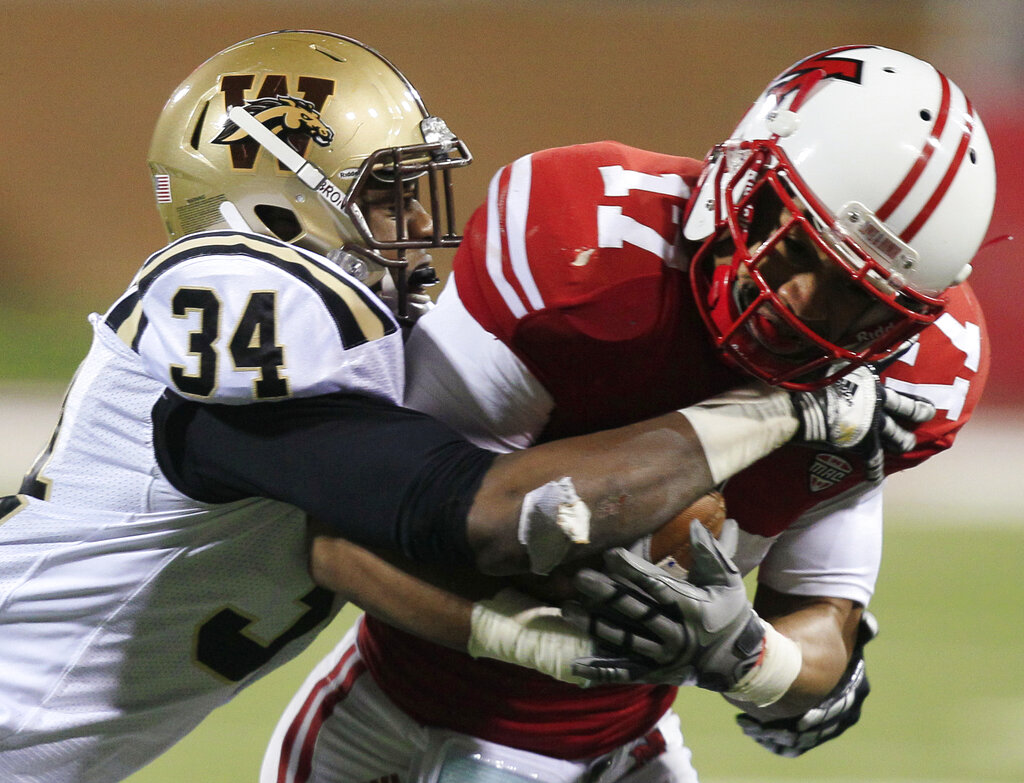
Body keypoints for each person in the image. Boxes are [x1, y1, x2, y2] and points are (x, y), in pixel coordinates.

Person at [0, 31, 899, 783]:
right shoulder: (236, 304)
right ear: (271, 215)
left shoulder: (352, 339)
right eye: (384, 196)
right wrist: (783, 408)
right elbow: (461, 505)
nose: (413, 222)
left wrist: (790, 655)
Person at [265, 45, 995, 782]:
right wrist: (542, 638)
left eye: (857, 295)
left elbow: (823, 633)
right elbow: (353, 534)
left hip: (627, 750)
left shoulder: (914, 374)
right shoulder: (583, 248)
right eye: (797, 243)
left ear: (904, 319)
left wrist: (751, 656)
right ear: (746, 176)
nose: (802, 303)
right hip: (393, 730)